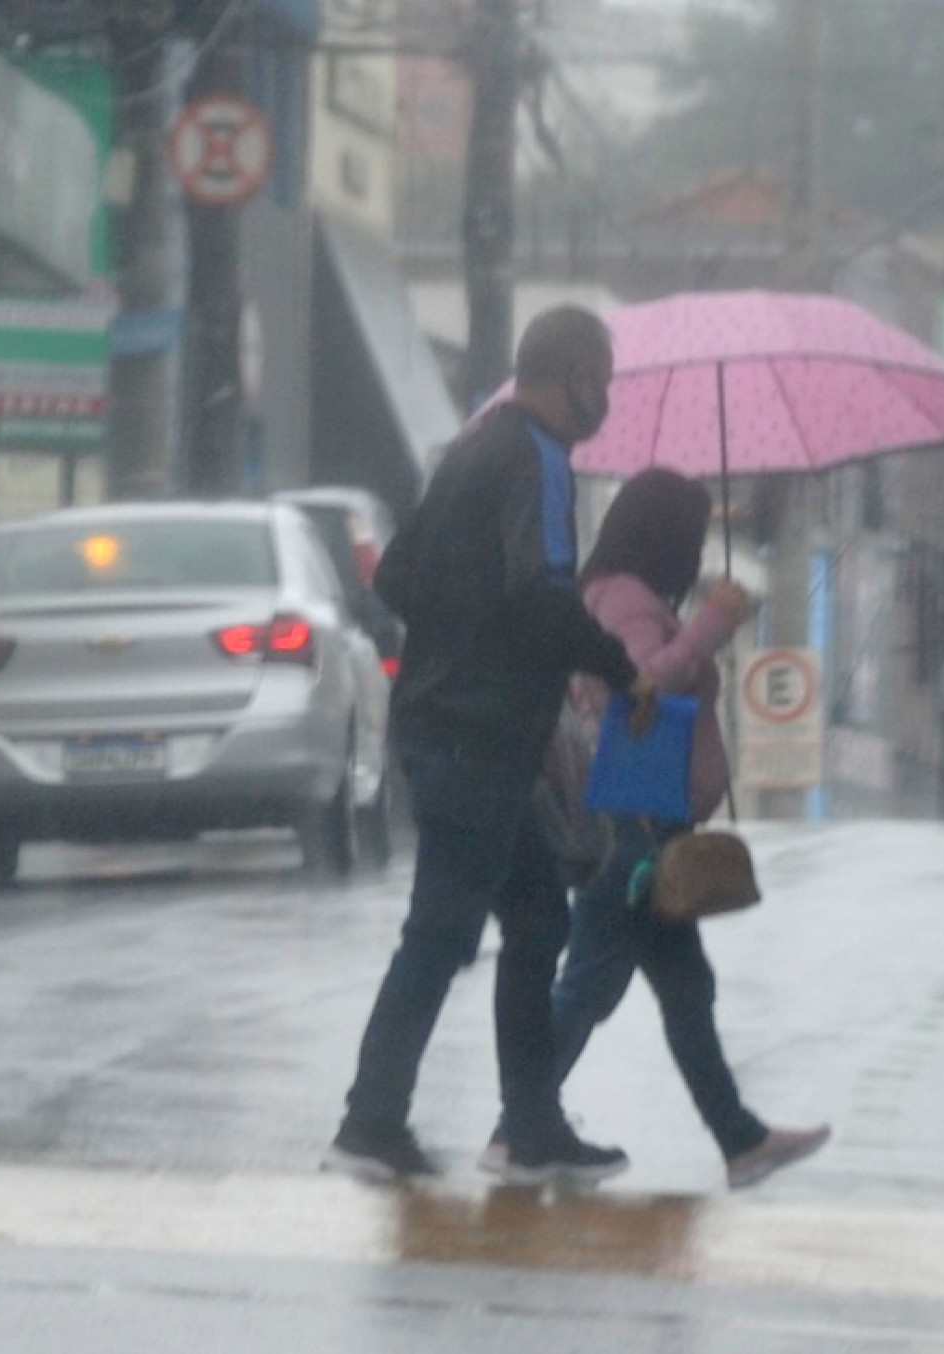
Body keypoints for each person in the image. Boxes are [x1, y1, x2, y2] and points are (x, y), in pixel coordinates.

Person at [327, 306, 656, 1185]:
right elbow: (537, 596)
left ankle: (530, 1127)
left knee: (537, 914)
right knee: (439, 932)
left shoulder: (474, 447)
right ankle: (371, 1123)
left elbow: (398, 576)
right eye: (604, 380)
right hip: (478, 735)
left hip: (447, 724)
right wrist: (618, 669)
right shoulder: (536, 460)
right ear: (574, 371)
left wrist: (463, 635)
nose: (607, 400)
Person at [481, 470, 832, 1190]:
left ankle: (739, 1140)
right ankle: (518, 1131)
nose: (697, 546)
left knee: (683, 989)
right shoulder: (628, 602)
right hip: (633, 821)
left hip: (641, 815)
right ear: (664, 535)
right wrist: (711, 625)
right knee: (587, 986)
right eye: (692, 532)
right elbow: (636, 685)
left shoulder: (611, 595)